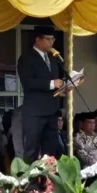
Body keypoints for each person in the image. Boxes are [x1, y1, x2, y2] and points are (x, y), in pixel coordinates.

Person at [16, 26, 64, 163]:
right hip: (35, 112)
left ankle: (47, 176)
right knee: (32, 149)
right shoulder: (26, 57)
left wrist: (63, 88)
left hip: (52, 111)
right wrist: (52, 84)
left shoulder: (53, 58)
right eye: (48, 39)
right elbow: (28, 82)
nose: (51, 42)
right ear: (38, 39)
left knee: (50, 151)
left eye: (53, 39)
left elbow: (56, 81)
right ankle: (29, 176)